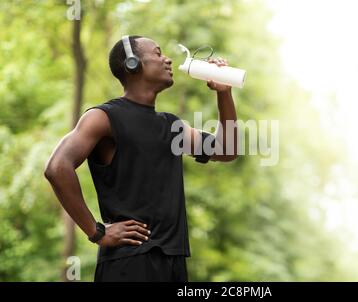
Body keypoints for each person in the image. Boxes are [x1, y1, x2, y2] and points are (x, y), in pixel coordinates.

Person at [44, 35, 238, 282]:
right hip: (129, 264)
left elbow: (227, 148)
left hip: (174, 263)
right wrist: (96, 231)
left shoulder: (172, 126)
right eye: (158, 53)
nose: (167, 59)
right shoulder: (103, 118)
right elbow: (57, 167)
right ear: (133, 63)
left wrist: (224, 93)